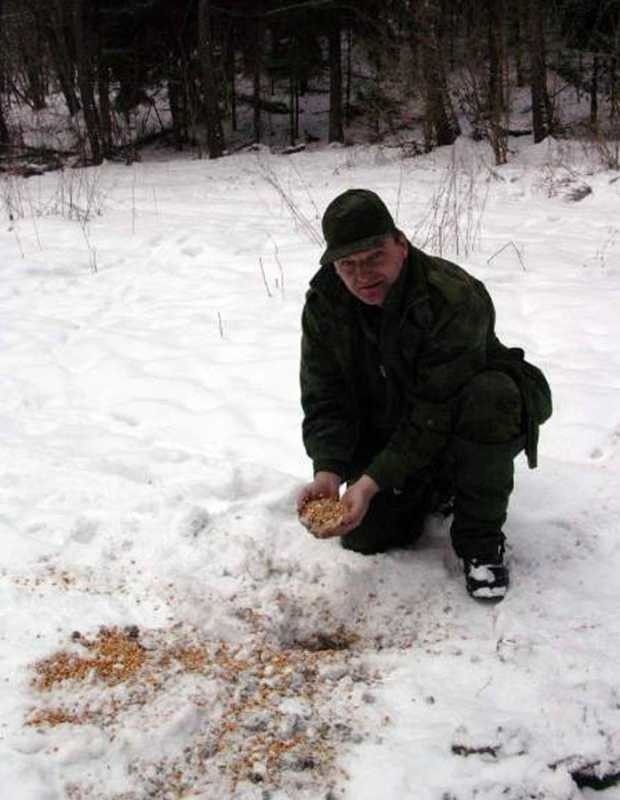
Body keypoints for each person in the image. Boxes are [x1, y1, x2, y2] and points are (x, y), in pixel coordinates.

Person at [296, 188, 552, 601]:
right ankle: (436, 486)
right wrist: (329, 468)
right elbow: (325, 395)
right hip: (396, 420)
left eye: (374, 257)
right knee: (368, 536)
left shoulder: (450, 295)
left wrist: (372, 480)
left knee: (490, 396)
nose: (363, 277)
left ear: (401, 243)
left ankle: (481, 541)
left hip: (463, 413)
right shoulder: (326, 304)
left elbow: (437, 408)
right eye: (348, 265)